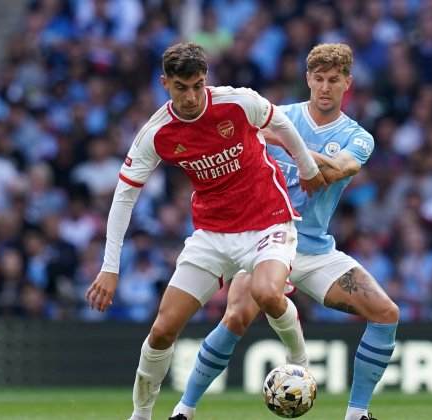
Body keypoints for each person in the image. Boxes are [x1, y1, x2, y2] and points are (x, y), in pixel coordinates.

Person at [84, 42, 327, 420]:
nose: (192, 96)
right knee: (163, 330)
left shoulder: (237, 102)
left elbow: (279, 122)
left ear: (206, 80)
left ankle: (299, 363)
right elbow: (124, 197)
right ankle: (141, 414)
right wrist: (109, 267)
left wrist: (308, 168)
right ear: (165, 83)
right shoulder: (157, 133)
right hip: (212, 234)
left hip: (268, 219)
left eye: (198, 85)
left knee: (265, 292)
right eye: (182, 88)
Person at [170, 44, 399, 420]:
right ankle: (184, 410)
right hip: (264, 238)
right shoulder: (279, 116)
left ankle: (357, 414)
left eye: (334, 80)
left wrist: (285, 143)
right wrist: (279, 138)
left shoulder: (358, 137)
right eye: (319, 79)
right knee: (237, 316)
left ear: (348, 84)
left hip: (313, 248)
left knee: (386, 312)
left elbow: (335, 171)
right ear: (308, 80)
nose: (325, 87)